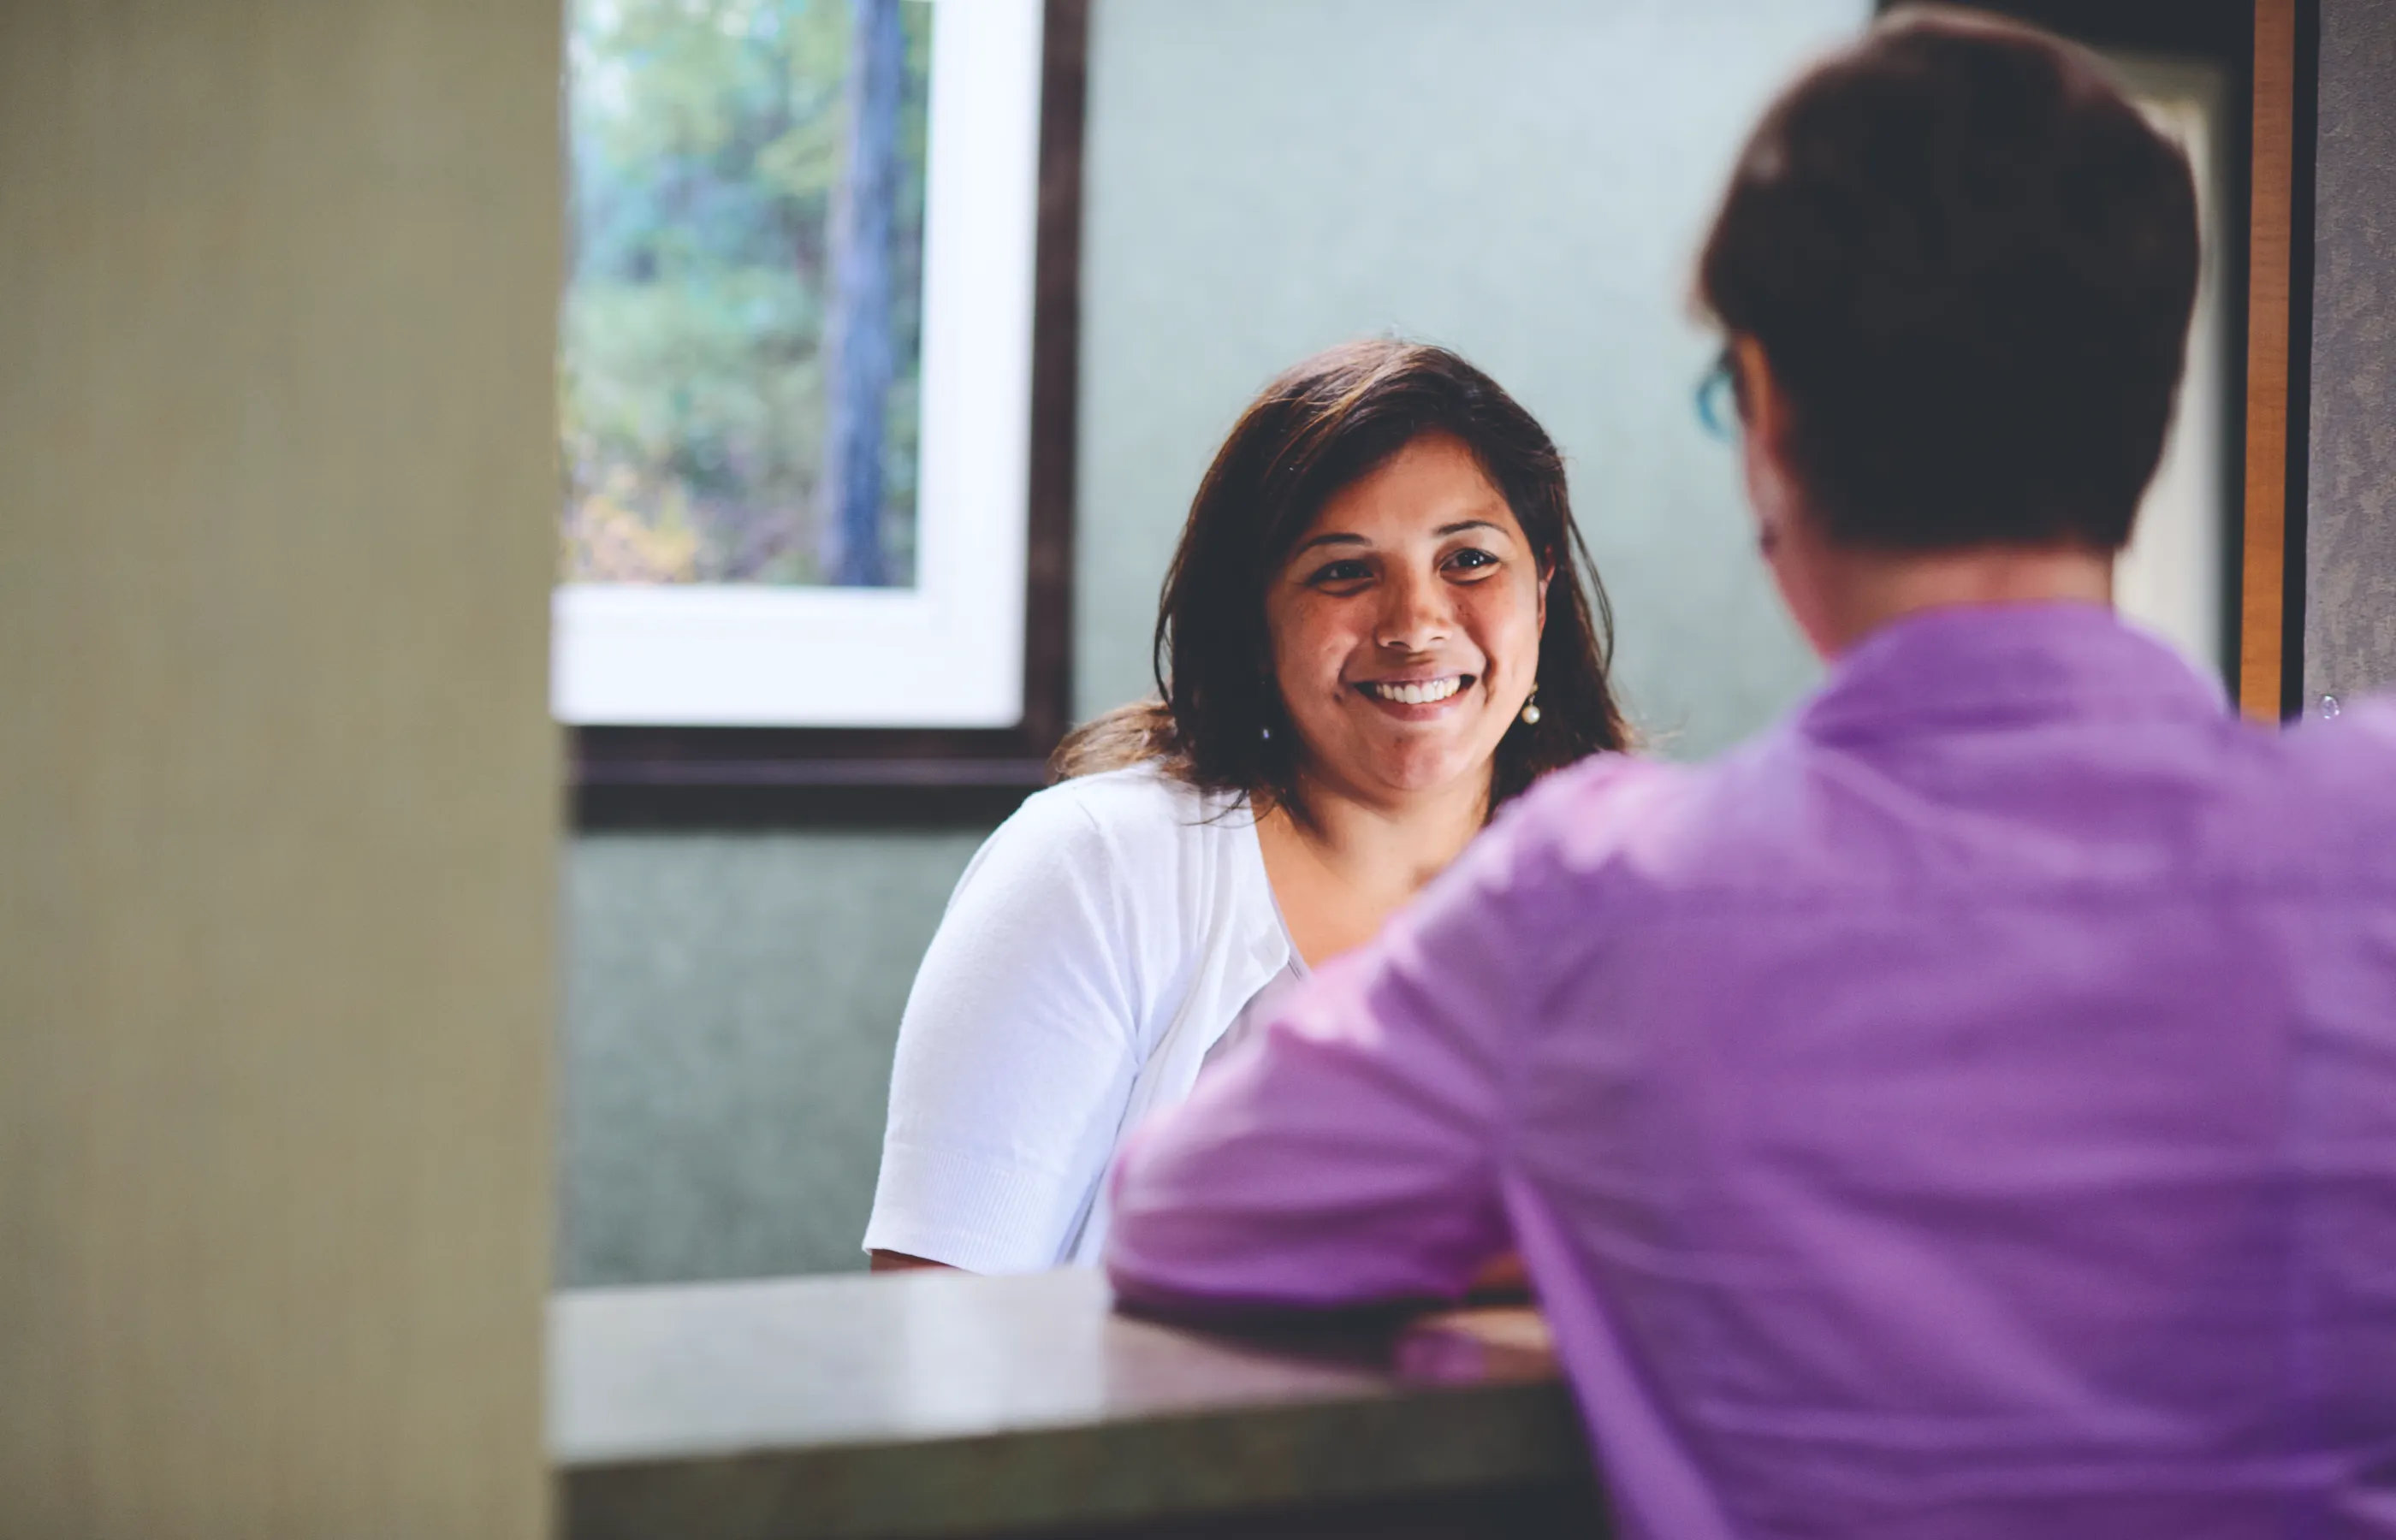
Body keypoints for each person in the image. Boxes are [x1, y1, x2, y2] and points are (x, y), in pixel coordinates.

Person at [1104, 12, 2396, 1538]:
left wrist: (1561, 1185)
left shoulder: (1596, 906)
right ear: (2151, 403)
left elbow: (1185, 1218)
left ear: (1767, 416)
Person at [863, 340, 1632, 1272]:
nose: (1415, 624)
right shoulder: (1097, 865)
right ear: (1255, 620)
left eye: (1468, 560)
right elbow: (941, 1330)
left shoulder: (1631, 892)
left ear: (1541, 591)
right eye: (1344, 571)